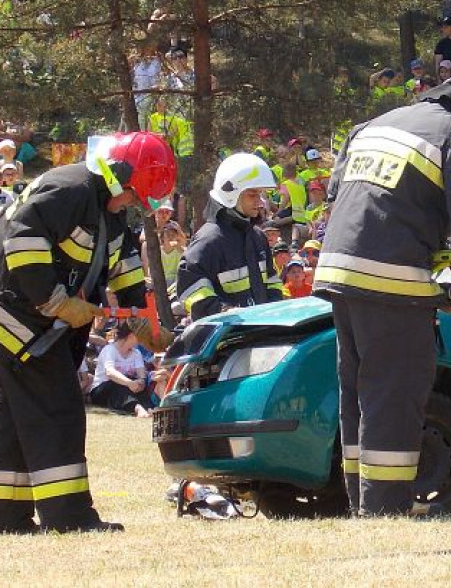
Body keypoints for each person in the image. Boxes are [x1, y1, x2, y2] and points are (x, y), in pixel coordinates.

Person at [313, 67, 451, 517]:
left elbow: (348, 196)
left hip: (341, 273)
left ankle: (362, 500)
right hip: (391, 281)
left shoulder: (375, 125)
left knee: (357, 390)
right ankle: (384, 509)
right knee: (394, 392)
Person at [0, 131, 176, 533]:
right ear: (115, 174)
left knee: (13, 419)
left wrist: (143, 324)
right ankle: (70, 518)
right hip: (19, 322)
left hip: (34, 326)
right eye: (133, 193)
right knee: (58, 411)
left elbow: (126, 269)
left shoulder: (109, 213)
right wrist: (55, 300)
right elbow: (22, 239)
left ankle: (7, 517)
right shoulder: (70, 188)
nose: (134, 203)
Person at [176, 153, 283, 320]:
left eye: (260, 195)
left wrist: (274, 310)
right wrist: (223, 313)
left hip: (260, 332)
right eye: (252, 195)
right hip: (227, 339)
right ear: (231, 194)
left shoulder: (258, 237)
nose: (260, 202)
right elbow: (190, 286)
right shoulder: (209, 240)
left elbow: (272, 280)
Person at [88, 325, 150, 418]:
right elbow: (110, 372)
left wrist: (141, 382)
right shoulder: (109, 350)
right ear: (131, 336)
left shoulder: (136, 353)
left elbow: (141, 374)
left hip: (125, 387)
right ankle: (137, 408)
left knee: (139, 385)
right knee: (118, 383)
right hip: (102, 390)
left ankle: (148, 408)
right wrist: (129, 383)